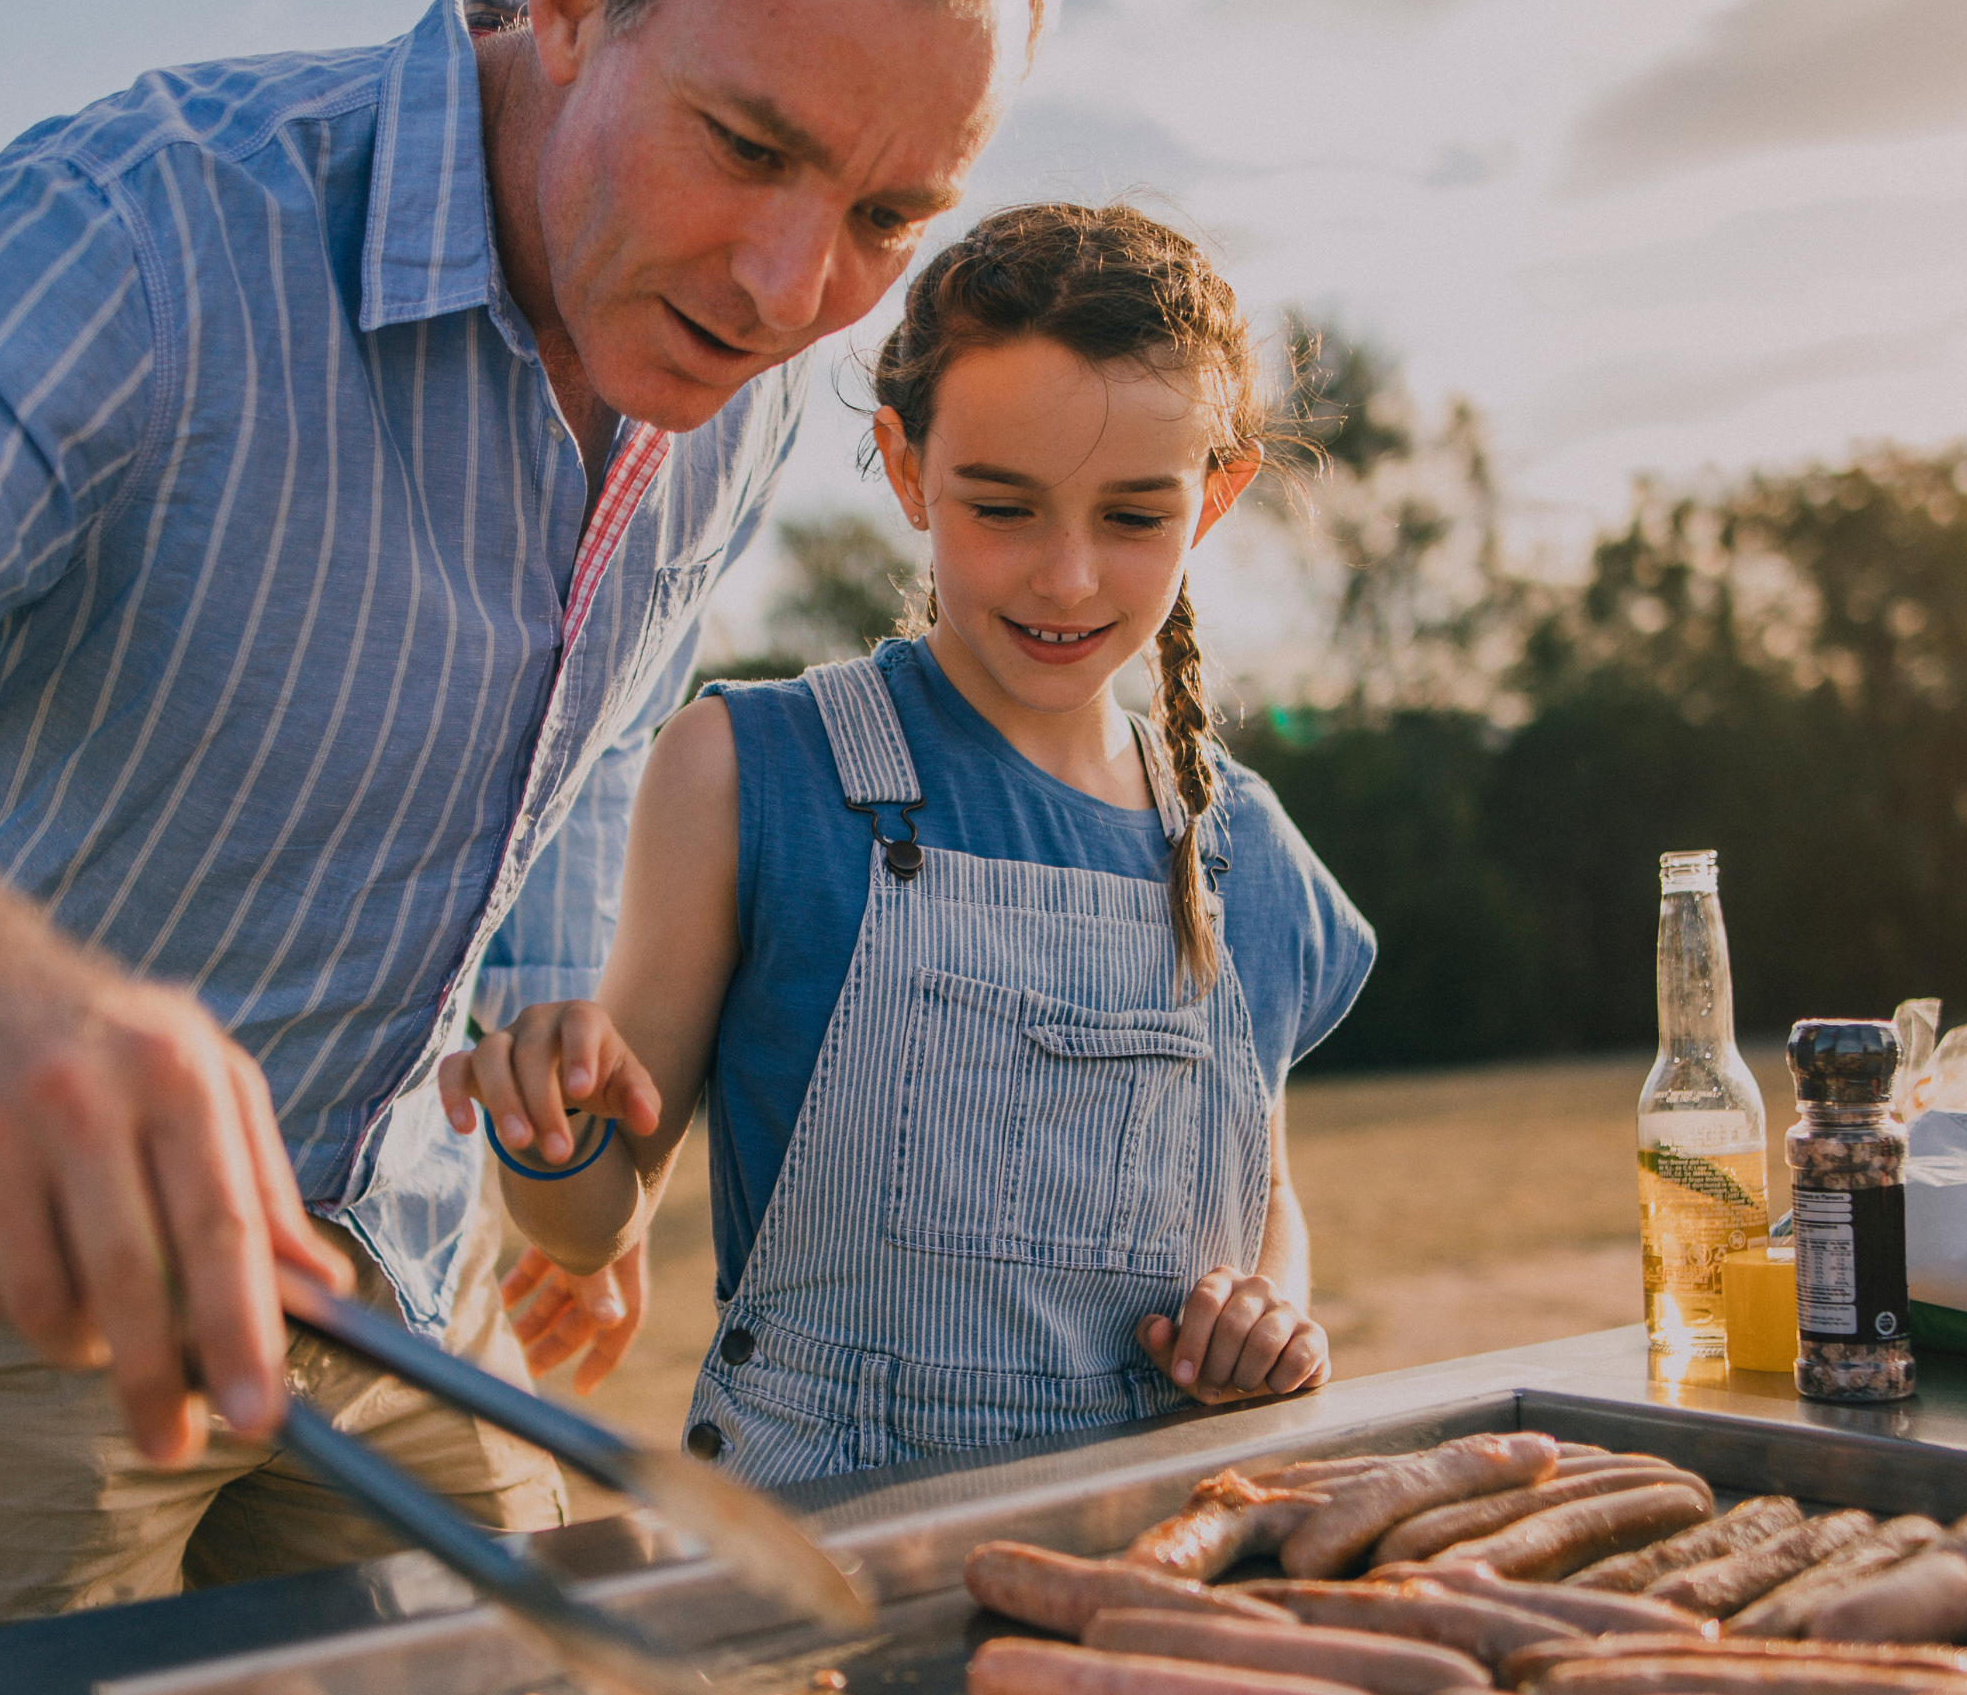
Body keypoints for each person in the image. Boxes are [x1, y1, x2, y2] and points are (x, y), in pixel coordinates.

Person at [0, 0, 1047, 1663]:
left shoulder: (722, 349)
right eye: (748, 145)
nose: (785, 289)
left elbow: (586, 717)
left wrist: (538, 1086)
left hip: (411, 1258)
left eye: (887, 215)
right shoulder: (155, 222)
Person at [439, 203, 1378, 1485]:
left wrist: (1271, 1309)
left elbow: (1262, 1196)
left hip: (1163, 1544)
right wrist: (551, 1132)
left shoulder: (1243, 850)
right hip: (830, 1549)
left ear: (1216, 496)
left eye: (1132, 518)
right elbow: (598, 1221)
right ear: (902, 465)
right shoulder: (744, 772)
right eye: (1003, 508)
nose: (1065, 578)